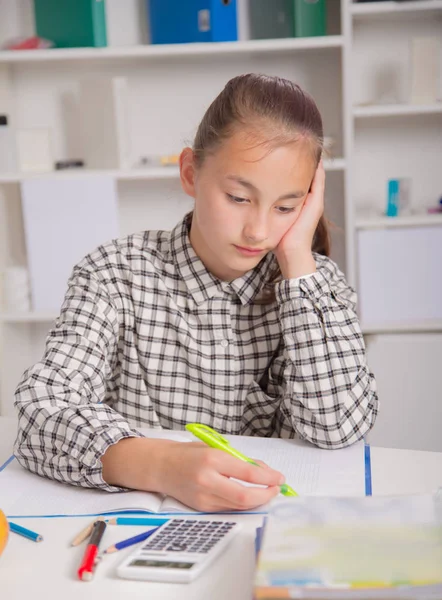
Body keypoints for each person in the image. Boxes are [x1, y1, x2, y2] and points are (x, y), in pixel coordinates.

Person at [14, 74, 378, 512]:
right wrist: (162, 465)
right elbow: (41, 412)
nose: (259, 230)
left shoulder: (317, 288)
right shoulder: (113, 274)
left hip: (269, 524)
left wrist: (298, 256)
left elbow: (339, 428)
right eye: (239, 197)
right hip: (137, 525)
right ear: (190, 172)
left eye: (286, 207)